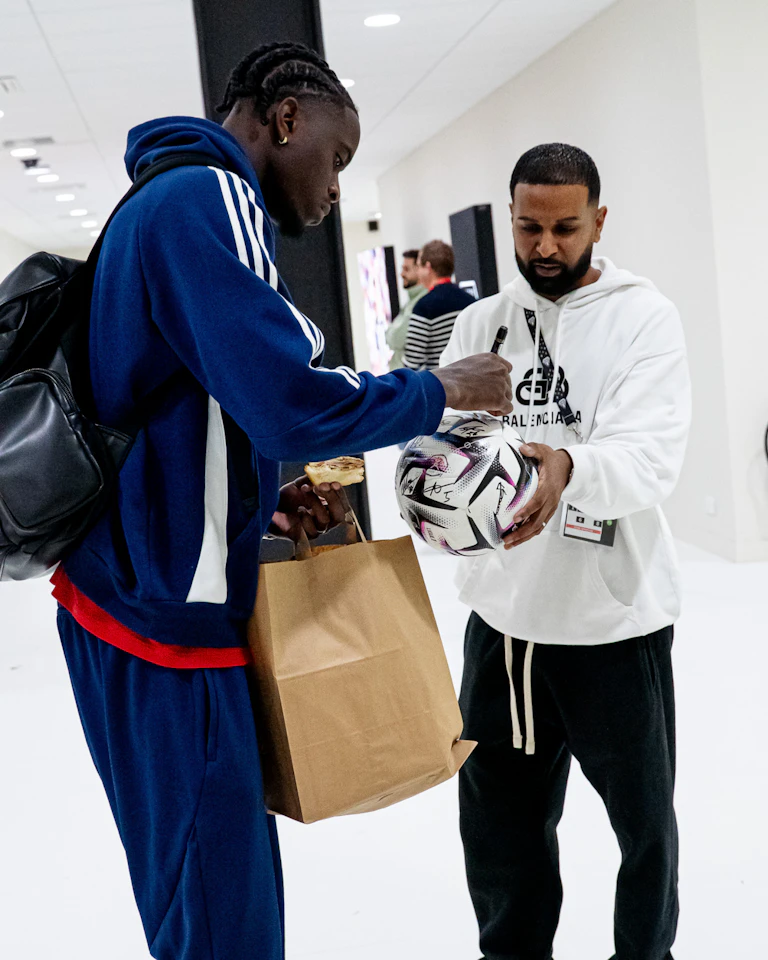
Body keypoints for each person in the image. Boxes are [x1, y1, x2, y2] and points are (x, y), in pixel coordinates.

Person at [49, 42, 513, 960]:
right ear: (287, 119)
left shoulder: (172, 201)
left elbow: (184, 401)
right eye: (336, 157)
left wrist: (259, 496)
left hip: (141, 604)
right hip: (160, 630)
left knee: (209, 900)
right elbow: (290, 402)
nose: (337, 184)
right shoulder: (204, 198)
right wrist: (440, 389)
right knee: (222, 923)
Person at [440, 143, 691, 960]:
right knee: (499, 832)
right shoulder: (481, 324)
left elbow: (650, 457)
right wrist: (432, 494)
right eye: (528, 227)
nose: (544, 246)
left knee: (644, 833)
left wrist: (569, 465)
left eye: (564, 228)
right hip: (506, 630)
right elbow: (446, 447)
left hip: (614, 626)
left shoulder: (643, 316)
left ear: (599, 221)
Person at [403, 239, 475, 371]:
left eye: (419, 266)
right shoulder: (471, 301)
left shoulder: (424, 307)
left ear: (428, 267)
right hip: (470, 380)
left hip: (442, 385)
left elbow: (412, 363)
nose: (418, 272)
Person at [385, 248, 427, 370]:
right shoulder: (411, 301)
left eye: (406, 269)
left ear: (419, 270)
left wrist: (390, 333)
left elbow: (396, 338)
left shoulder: (421, 301)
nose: (402, 274)